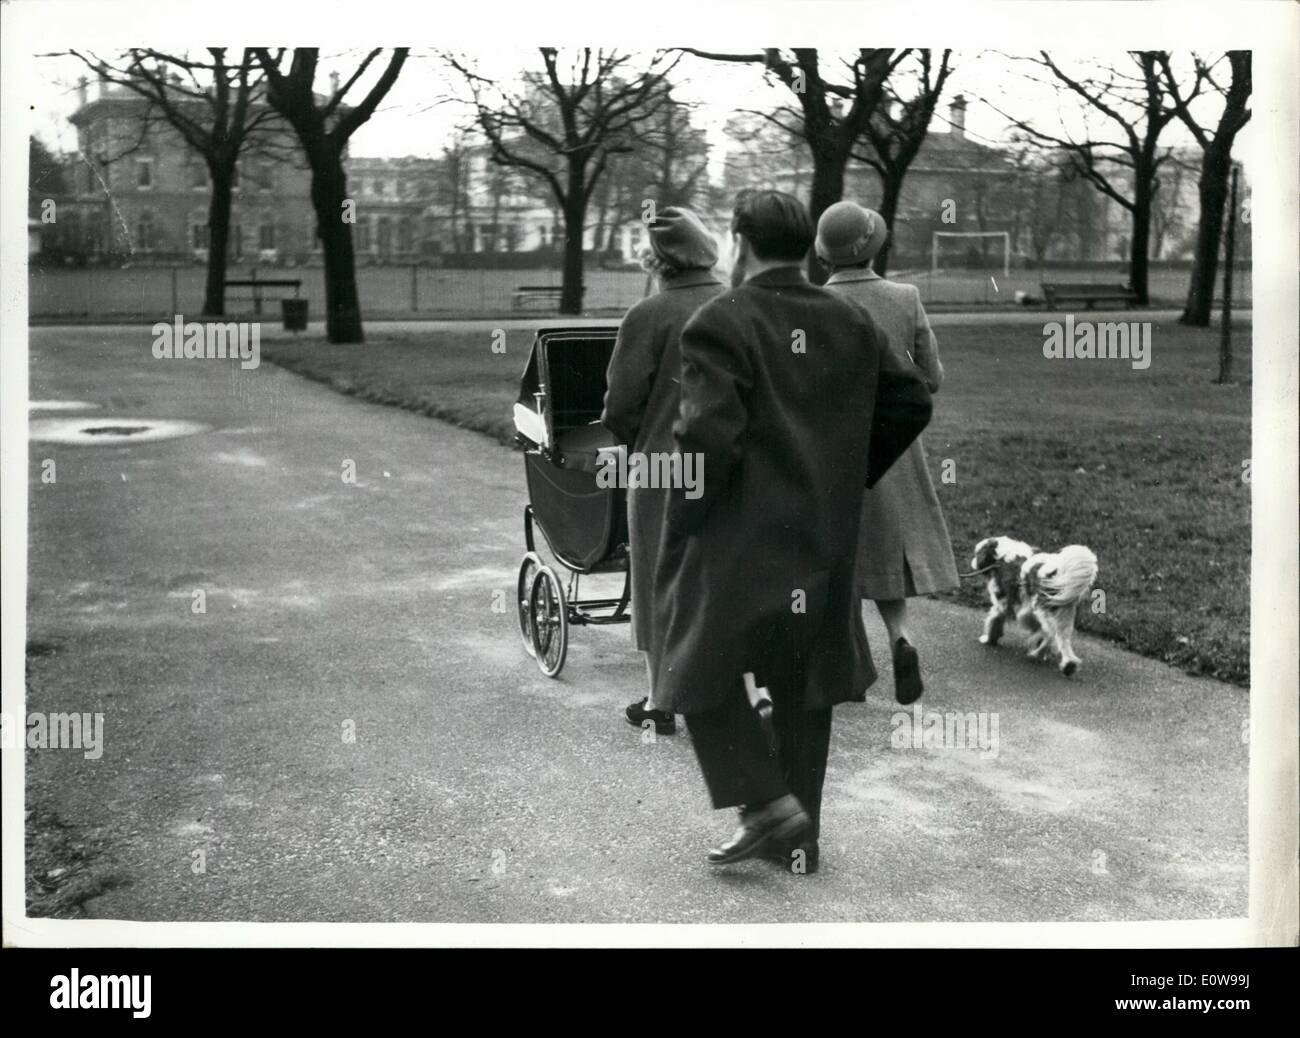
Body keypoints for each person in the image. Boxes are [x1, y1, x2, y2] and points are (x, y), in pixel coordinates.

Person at [652, 190, 933, 872]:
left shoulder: (722, 321)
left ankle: (766, 802)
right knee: (805, 679)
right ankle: (796, 835)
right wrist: (845, 473)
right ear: (807, 245)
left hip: (742, 539)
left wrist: (683, 521)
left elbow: (705, 442)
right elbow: (911, 399)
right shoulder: (848, 317)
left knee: (691, 663)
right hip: (826, 532)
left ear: (740, 242)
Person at [816, 201, 959, 705]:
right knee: (888, 553)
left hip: (832, 449)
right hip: (896, 445)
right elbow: (932, 378)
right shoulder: (904, 296)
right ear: (874, 246)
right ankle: (901, 637)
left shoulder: (813, 305)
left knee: (840, 554)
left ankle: (849, 670)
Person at [601, 207, 724, 736]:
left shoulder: (647, 315)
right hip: (732, 463)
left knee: (655, 575)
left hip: (661, 464)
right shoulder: (744, 305)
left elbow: (620, 406)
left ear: (657, 261)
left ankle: (661, 698)